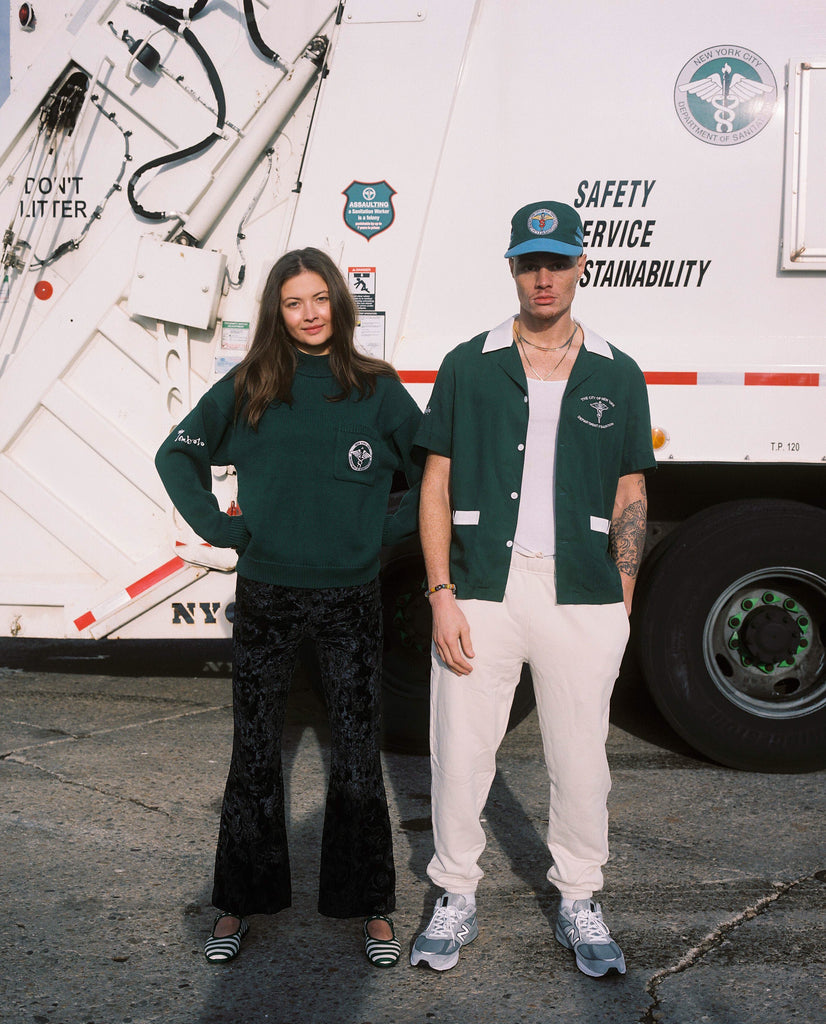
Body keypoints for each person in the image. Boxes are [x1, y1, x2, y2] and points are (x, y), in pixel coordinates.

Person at [155, 247, 423, 967]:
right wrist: (219, 527)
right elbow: (174, 455)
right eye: (293, 302)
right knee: (254, 751)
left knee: (358, 755)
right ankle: (237, 904)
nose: (309, 314)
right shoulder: (250, 386)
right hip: (267, 594)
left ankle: (369, 907)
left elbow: (434, 473)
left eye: (319, 299)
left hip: (350, 598)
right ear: (277, 311)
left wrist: (382, 533)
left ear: (340, 302)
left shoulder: (378, 388)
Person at [410, 201, 655, 978]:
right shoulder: (467, 363)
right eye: (528, 262)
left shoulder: (617, 370)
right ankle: (454, 892)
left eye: (556, 261)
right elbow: (435, 486)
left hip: (582, 597)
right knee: (459, 752)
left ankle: (580, 897)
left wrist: (622, 594)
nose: (542, 276)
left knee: (581, 761)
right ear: (512, 268)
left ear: (581, 265)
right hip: (483, 589)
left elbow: (630, 487)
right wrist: (441, 593)